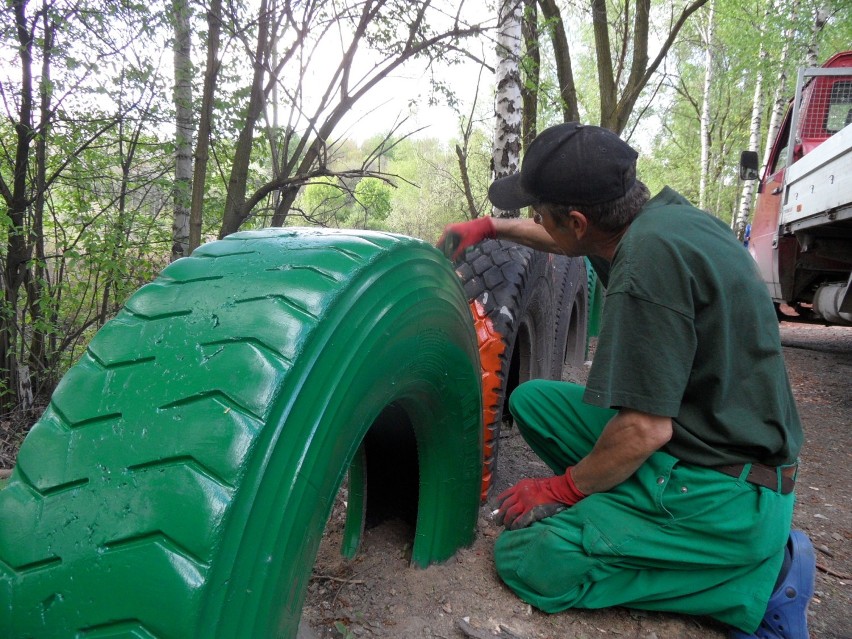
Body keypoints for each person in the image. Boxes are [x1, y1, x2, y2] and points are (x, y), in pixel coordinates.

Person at [437, 122, 815, 639]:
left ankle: (758, 580)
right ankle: (633, 516)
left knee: (529, 558)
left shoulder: (645, 267)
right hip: (711, 439)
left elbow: (644, 429)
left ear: (576, 220)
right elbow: (564, 242)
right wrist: (490, 228)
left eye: (539, 213)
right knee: (534, 402)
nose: (533, 221)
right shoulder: (665, 222)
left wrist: (562, 488)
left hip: (726, 491)